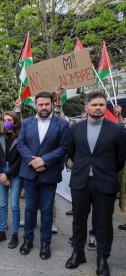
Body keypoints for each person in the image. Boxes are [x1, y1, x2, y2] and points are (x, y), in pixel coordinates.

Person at [65, 92, 126, 275]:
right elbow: (72, 152)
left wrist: (105, 171)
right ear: (87, 108)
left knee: (104, 223)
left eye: (101, 104)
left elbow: (120, 158)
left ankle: (102, 259)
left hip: (104, 182)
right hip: (80, 182)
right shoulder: (75, 129)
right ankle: (78, 253)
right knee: (78, 221)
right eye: (94, 104)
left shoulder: (116, 129)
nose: (98, 107)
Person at [17, 92, 69, 259]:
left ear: (52, 104)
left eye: (47, 104)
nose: (44, 107)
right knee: (30, 209)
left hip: (49, 174)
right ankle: (28, 240)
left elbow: (63, 147)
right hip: (30, 173)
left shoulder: (62, 124)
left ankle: (45, 243)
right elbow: (21, 144)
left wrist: (44, 161)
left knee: (47, 210)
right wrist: (33, 162)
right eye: (41, 104)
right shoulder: (26, 122)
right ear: (36, 105)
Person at [0, 111, 22, 249]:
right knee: (2, 204)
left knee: (14, 206)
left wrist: (8, 175)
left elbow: (21, 159)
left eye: (9, 119)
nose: (6, 122)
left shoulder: (21, 136)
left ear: (15, 122)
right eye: (4, 119)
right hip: (0, 173)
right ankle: (2, 231)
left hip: (14, 173)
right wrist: (0, 174)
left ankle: (15, 234)